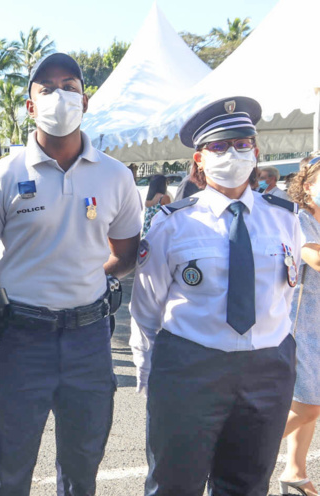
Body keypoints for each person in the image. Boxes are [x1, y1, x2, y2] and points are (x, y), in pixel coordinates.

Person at [0, 52, 142, 496]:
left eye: (70, 86)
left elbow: (127, 254)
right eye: (47, 88)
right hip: (23, 339)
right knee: (11, 469)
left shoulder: (116, 177)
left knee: (82, 472)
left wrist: (85, 279)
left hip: (89, 339)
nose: (60, 96)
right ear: (29, 105)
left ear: (86, 99)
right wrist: (5, 288)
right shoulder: (2, 176)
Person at [130, 96, 301, 496]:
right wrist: (156, 371)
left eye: (242, 144)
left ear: (256, 152)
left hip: (267, 368)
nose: (233, 153)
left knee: (247, 484)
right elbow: (146, 308)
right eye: (219, 146)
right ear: (199, 160)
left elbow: (285, 297)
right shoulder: (173, 225)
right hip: (191, 367)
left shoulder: (283, 217)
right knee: (174, 484)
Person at [279, 154, 320, 496]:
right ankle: (238, 449)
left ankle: (294, 470)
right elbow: (315, 258)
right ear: (308, 188)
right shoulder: (301, 219)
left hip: (318, 326)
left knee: (306, 406)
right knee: (310, 403)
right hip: (299, 326)